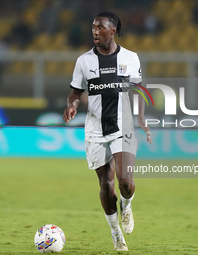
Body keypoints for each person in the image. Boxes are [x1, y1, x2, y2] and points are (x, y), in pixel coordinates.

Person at [63, 11, 151, 251]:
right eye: (93, 27)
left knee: (126, 181)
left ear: (112, 30)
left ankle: (127, 205)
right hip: (95, 130)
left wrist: (141, 116)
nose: (95, 31)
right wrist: (71, 106)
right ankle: (115, 234)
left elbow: (140, 90)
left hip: (123, 126)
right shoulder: (84, 61)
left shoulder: (131, 58)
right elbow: (75, 92)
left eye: (100, 27)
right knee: (106, 185)